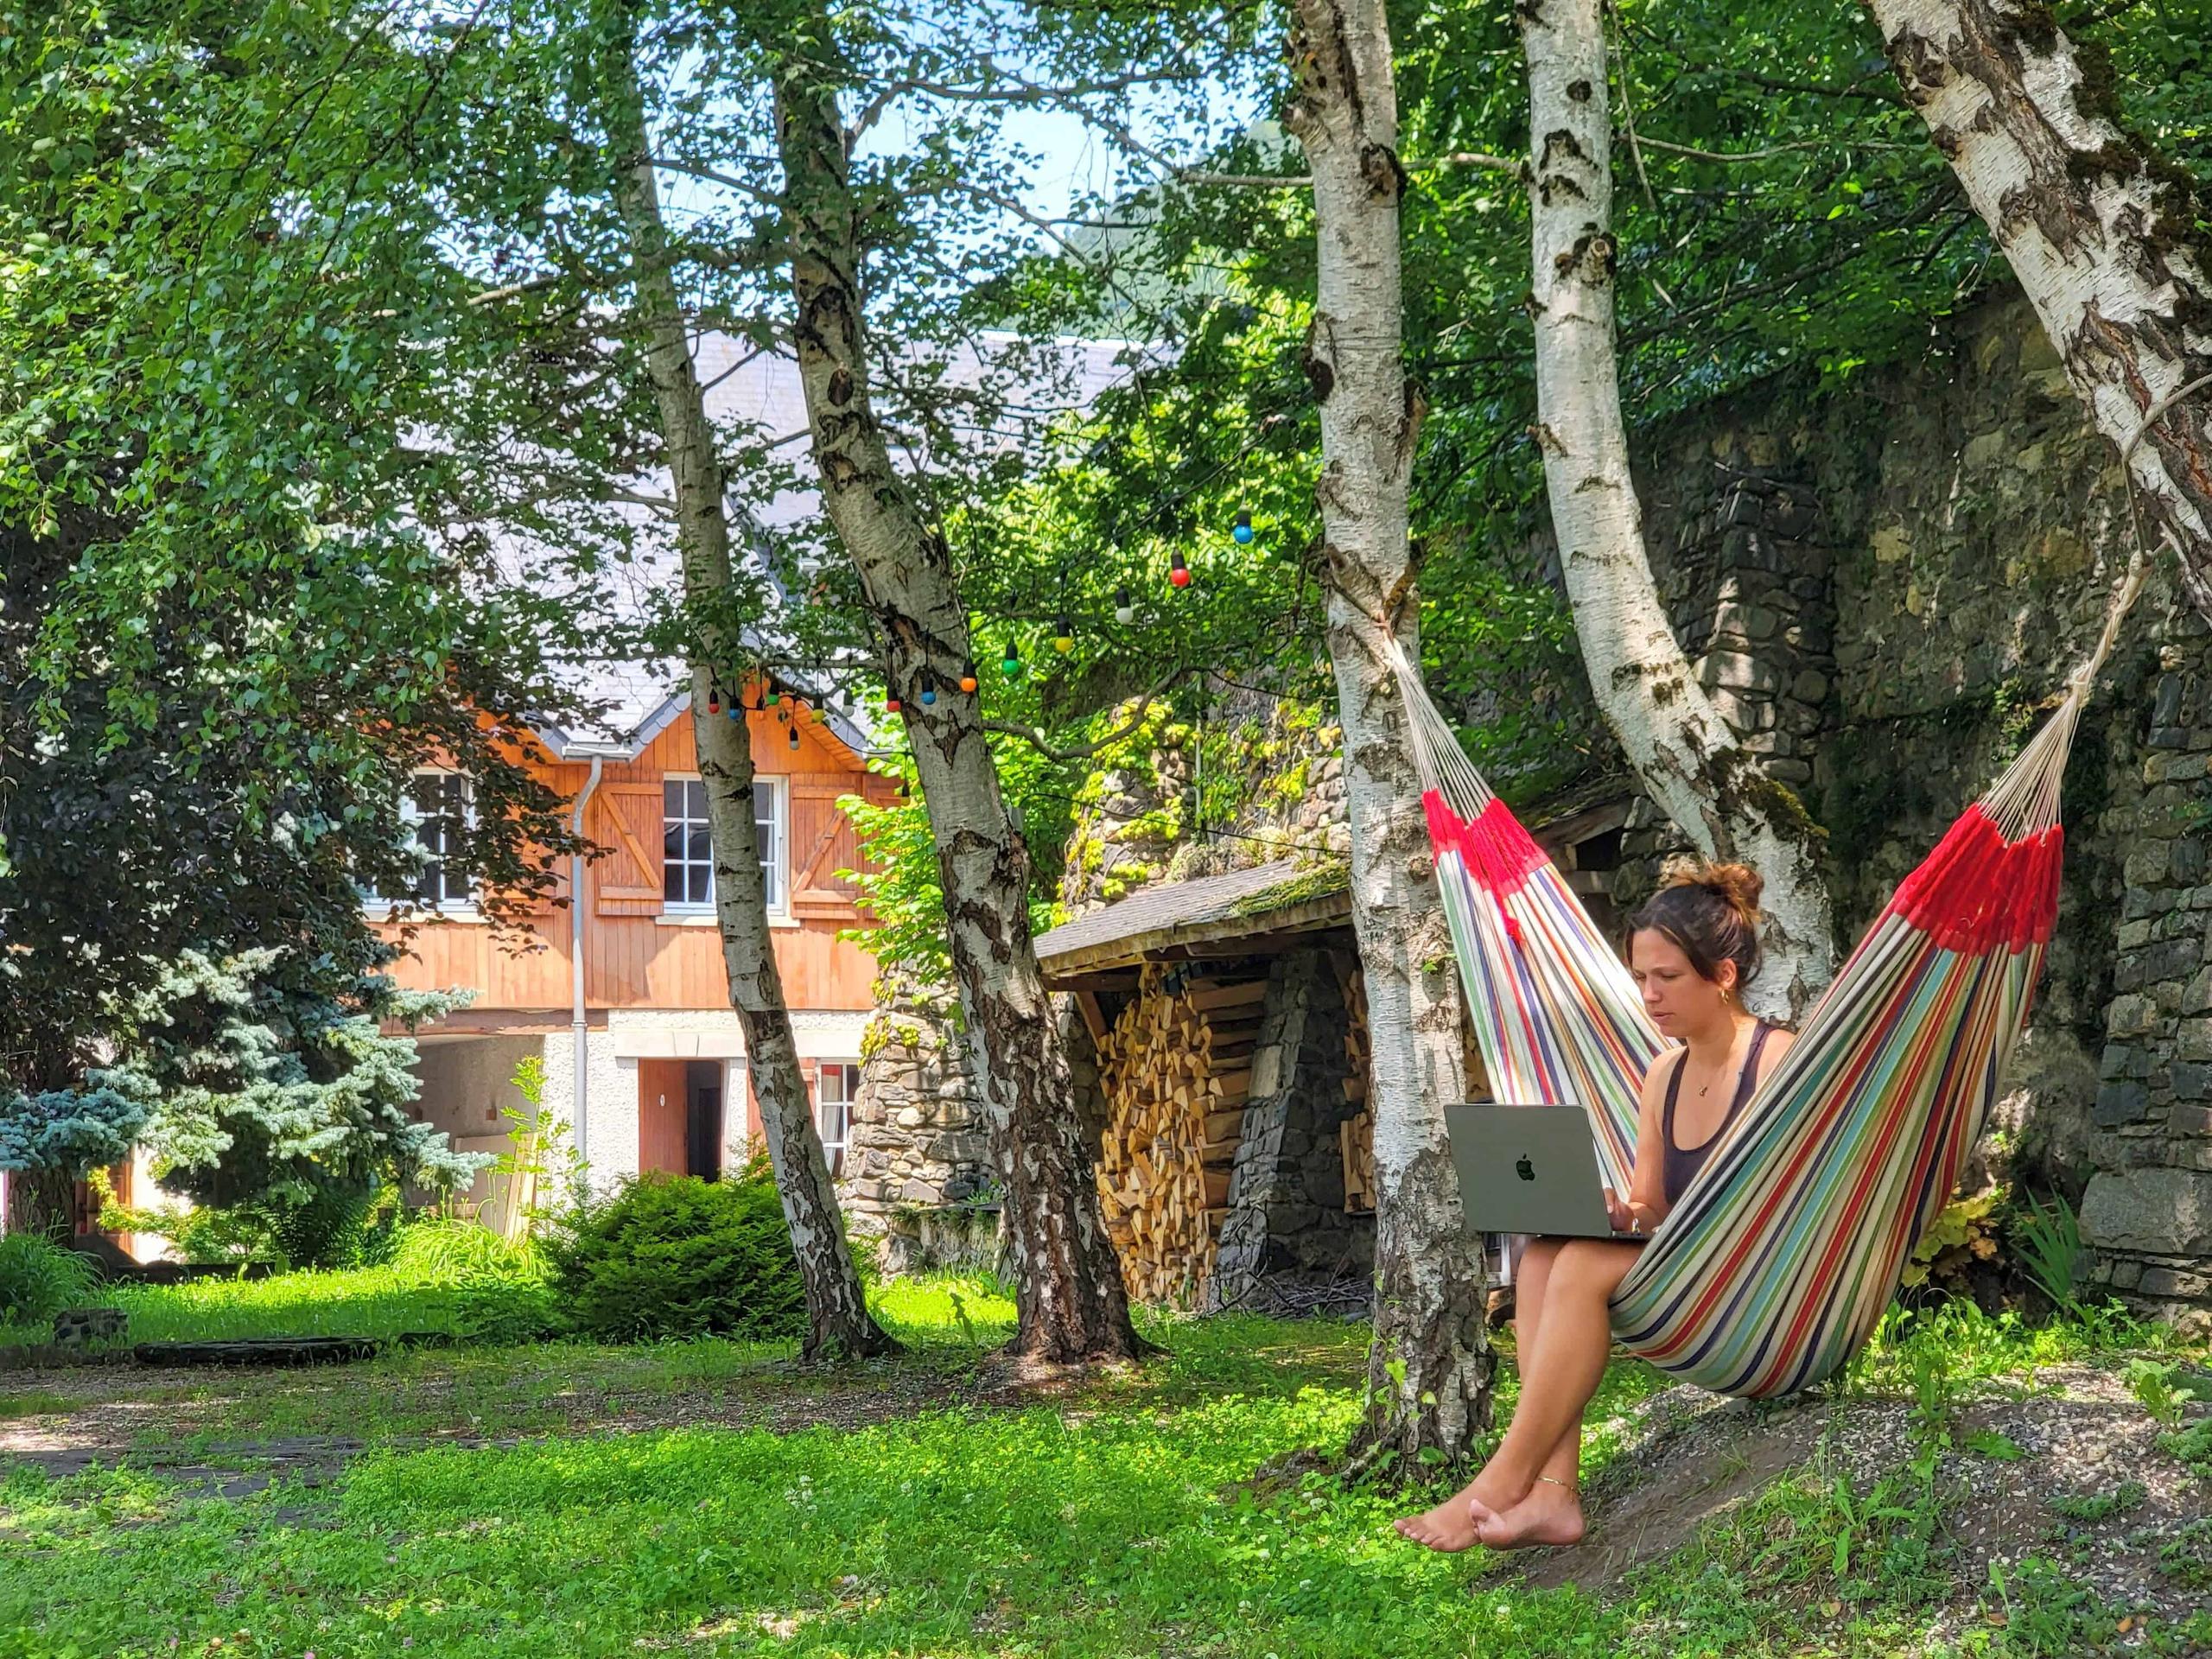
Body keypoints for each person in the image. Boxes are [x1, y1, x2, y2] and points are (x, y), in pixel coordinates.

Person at [1394, 860, 1796, 1553]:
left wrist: (1638, 1235)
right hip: (1683, 1264)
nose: (1648, 995)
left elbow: (1783, 1202)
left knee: (1578, 1262)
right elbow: (1653, 1204)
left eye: (1666, 978)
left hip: (1752, 1287)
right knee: (1543, 1250)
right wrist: (1621, 1213)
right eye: (1641, 977)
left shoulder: (1780, 1062)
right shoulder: (1664, 1074)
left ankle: (1499, 1484)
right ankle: (1555, 1497)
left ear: (1722, 976)